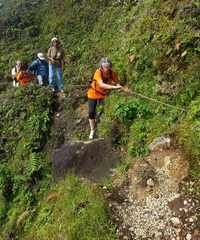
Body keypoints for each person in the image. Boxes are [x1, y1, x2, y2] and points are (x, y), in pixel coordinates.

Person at [87, 58, 122, 140]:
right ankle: (92, 130)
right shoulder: (98, 72)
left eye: (108, 67)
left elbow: (117, 83)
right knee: (91, 112)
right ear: (101, 67)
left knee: (102, 111)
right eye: (104, 67)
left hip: (103, 95)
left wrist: (121, 87)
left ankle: (99, 122)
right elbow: (101, 84)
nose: (106, 69)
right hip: (93, 93)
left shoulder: (112, 73)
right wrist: (114, 87)